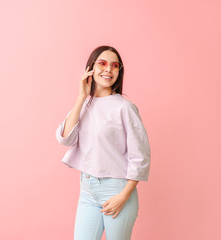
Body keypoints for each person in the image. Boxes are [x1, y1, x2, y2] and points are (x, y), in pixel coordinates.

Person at [55, 45, 151, 240]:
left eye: (115, 66)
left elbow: (140, 156)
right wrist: (82, 96)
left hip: (117, 189)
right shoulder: (83, 105)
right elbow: (65, 138)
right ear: (90, 68)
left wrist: (124, 195)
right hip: (88, 191)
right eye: (102, 63)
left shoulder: (124, 108)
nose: (108, 69)